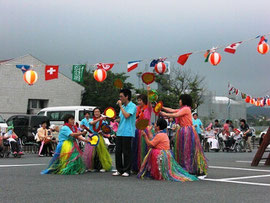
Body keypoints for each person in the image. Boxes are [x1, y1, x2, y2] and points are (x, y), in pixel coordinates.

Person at [160, 94, 207, 177]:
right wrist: (162, 107)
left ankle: (191, 168)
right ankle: (188, 167)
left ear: (184, 101)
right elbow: (172, 110)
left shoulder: (186, 109)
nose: (179, 101)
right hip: (183, 130)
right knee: (184, 150)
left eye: (180, 100)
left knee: (188, 150)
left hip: (187, 131)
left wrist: (164, 114)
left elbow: (175, 115)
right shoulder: (183, 109)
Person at [113, 89, 137, 177]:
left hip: (128, 132)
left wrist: (120, 106)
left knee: (126, 152)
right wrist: (113, 119)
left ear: (127, 96)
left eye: (121, 96)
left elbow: (127, 116)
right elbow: (121, 118)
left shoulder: (132, 106)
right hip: (120, 131)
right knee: (118, 151)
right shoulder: (123, 106)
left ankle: (127, 170)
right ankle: (119, 170)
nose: (120, 98)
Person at [82, 107, 112, 172]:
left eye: (98, 112)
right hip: (92, 137)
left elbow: (106, 130)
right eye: (95, 112)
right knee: (91, 154)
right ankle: (91, 167)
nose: (96, 113)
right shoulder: (90, 120)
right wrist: (99, 119)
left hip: (99, 137)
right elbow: (92, 123)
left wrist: (102, 132)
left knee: (100, 153)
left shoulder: (104, 121)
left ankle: (101, 166)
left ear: (100, 113)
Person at [132, 87, 152, 173]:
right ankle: (137, 167)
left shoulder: (148, 108)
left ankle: (145, 166)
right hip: (137, 130)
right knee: (136, 149)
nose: (139, 102)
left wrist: (148, 92)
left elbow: (150, 102)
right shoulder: (137, 108)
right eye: (138, 100)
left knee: (144, 149)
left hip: (145, 131)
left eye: (140, 100)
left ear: (144, 100)